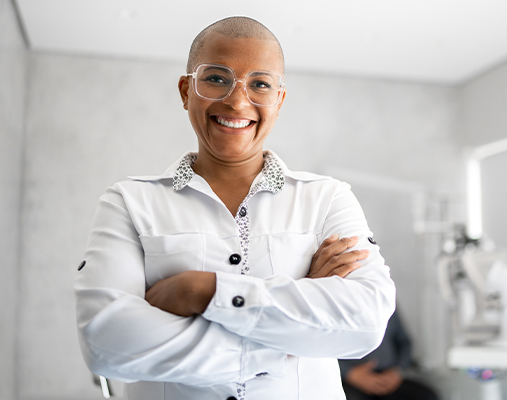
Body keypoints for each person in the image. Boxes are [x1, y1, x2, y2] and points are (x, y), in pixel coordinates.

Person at [75, 16, 396, 400]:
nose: (237, 100)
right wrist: (293, 333)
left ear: (279, 99)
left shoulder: (328, 198)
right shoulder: (129, 202)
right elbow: (108, 344)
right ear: (186, 91)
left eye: (260, 84)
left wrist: (204, 291)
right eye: (216, 78)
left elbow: (364, 323)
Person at [339, 309, 439, 400]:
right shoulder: (336, 303)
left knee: (427, 396)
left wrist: (397, 370)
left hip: (389, 375)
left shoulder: (386, 301)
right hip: (348, 379)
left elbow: (404, 342)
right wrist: (349, 373)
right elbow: (324, 347)